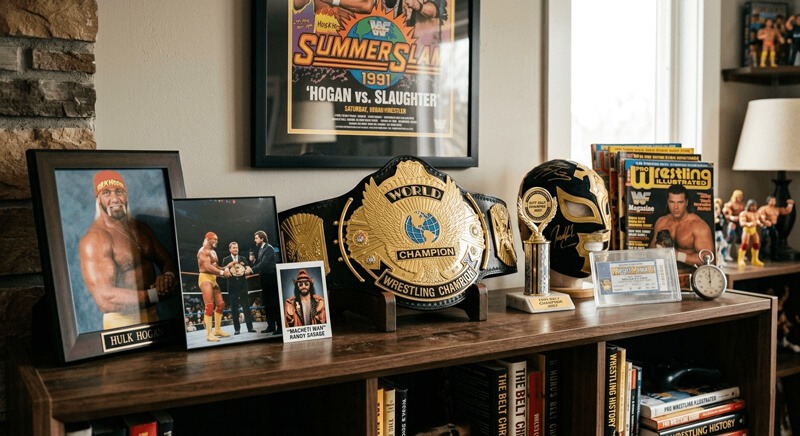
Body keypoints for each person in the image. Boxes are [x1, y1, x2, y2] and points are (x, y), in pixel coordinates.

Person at [79, 170, 178, 329]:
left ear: (126, 195)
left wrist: (168, 277)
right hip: (122, 322)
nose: (115, 198)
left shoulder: (141, 228)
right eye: (106, 193)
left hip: (153, 315)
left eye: (119, 191)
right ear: (98, 199)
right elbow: (106, 299)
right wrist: (156, 294)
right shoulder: (95, 239)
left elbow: (167, 260)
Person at [649, 184, 714, 268]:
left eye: (680, 202)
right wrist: (659, 248)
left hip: (689, 274)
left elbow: (707, 259)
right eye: (672, 202)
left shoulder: (699, 226)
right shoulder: (661, 222)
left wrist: (677, 256)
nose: (676, 207)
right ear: (667, 202)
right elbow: (651, 252)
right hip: (665, 272)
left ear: (686, 202)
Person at [197, 231, 231, 342]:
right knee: (209, 305)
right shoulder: (203, 251)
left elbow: (216, 267)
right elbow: (207, 267)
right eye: (214, 239)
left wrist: (227, 267)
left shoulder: (213, 252)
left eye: (217, 239)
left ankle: (217, 330)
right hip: (205, 278)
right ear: (208, 239)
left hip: (213, 279)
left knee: (220, 304)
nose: (217, 241)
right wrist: (222, 273)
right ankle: (209, 334)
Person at [221, 241, 256, 335]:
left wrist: (248, 269)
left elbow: (248, 268)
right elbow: (222, 271)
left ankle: (250, 328)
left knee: (246, 306)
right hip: (232, 286)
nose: (236, 249)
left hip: (243, 285)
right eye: (234, 248)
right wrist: (227, 268)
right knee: (234, 308)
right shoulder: (226, 259)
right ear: (230, 249)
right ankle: (237, 329)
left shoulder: (243, 258)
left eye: (236, 247)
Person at [250, 230, 280, 334]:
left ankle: (280, 327)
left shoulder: (269, 248)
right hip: (264, 279)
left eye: (256, 238)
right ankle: (271, 326)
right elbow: (260, 263)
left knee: (274, 303)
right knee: (267, 303)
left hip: (271, 279)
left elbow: (264, 263)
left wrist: (251, 269)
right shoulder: (261, 249)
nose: (255, 240)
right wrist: (253, 261)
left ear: (262, 238)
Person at [758, 196, 795, 260]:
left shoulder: (776, 209)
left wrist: (790, 204)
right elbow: (761, 216)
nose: (774, 202)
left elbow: (786, 211)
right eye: (772, 200)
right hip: (766, 226)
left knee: (775, 240)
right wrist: (765, 222)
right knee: (764, 240)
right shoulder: (764, 208)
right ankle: (761, 255)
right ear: (768, 201)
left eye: (774, 201)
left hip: (773, 226)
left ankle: (774, 255)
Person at [738, 199, 765, 266]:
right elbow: (742, 223)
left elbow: (762, 220)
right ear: (748, 206)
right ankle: (741, 259)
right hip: (747, 230)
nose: (753, 207)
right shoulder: (744, 213)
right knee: (745, 244)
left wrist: (765, 222)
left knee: (757, 244)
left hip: (754, 230)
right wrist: (748, 224)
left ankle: (755, 259)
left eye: (755, 206)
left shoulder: (757, 213)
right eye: (752, 206)